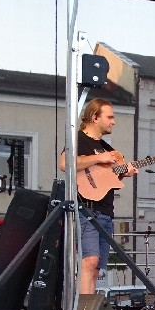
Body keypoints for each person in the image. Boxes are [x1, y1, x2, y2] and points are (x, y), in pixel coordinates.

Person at [59, 99, 137, 294]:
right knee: (89, 261)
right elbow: (65, 164)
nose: (113, 122)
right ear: (95, 117)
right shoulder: (78, 139)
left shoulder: (107, 148)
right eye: (109, 117)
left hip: (105, 212)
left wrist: (124, 172)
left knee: (96, 268)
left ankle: (88, 306)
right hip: (87, 209)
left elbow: (105, 179)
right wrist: (98, 158)